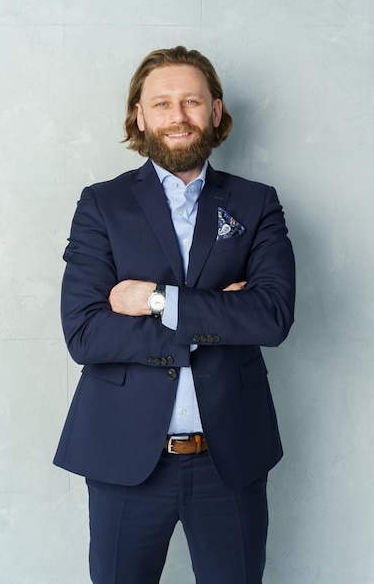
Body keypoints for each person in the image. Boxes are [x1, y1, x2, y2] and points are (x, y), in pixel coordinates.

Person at [54, 45, 295, 584]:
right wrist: (218, 317)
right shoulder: (102, 204)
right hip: (123, 457)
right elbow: (86, 334)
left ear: (215, 109)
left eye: (191, 101)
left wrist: (158, 301)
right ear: (139, 115)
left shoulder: (256, 203)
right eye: (161, 103)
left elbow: (272, 316)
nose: (178, 115)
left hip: (230, 457)